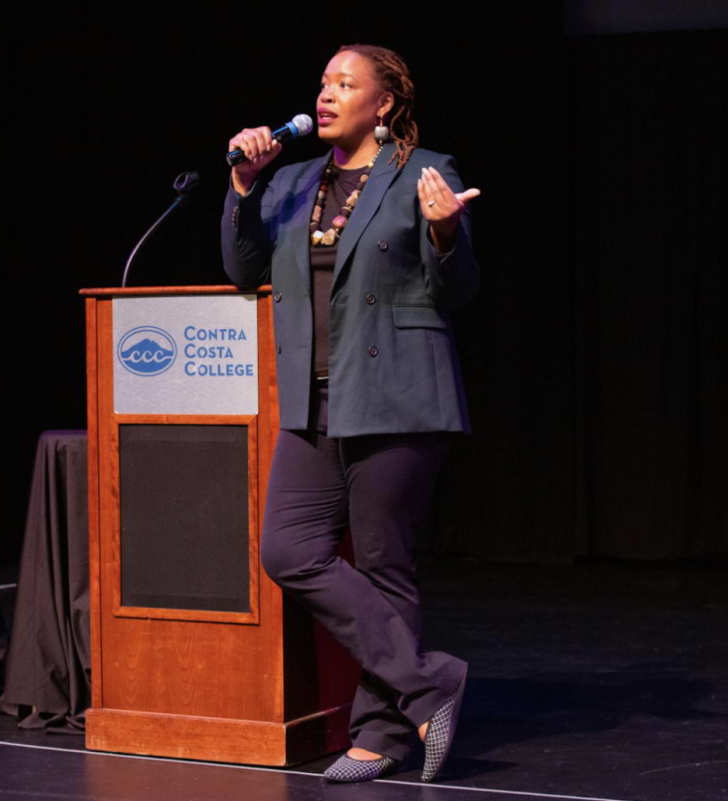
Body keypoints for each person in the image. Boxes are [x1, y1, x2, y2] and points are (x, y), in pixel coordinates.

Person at [221, 44, 480, 783]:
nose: (327, 95)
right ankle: (430, 683)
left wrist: (445, 233)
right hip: (314, 399)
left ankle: (379, 732)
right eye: (324, 83)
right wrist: (243, 186)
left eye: (346, 83)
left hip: (397, 394)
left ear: (384, 104)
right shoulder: (294, 182)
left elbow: (457, 288)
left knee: (384, 564)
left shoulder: (424, 172)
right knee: (287, 549)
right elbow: (243, 271)